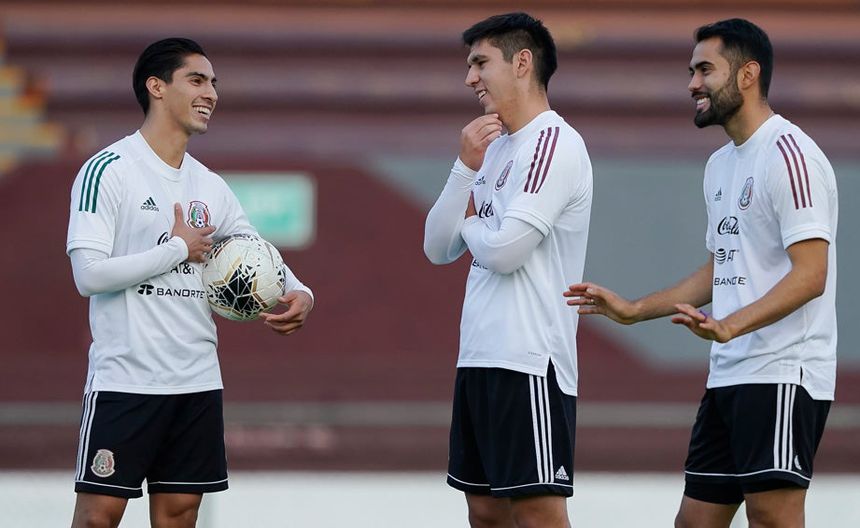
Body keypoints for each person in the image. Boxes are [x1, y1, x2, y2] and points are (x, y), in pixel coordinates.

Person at [565, 18, 837, 528]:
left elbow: (812, 274)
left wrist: (731, 325)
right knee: (694, 521)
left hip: (781, 371)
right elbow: (722, 267)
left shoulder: (790, 154)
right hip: (729, 373)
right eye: (692, 71)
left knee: (772, 517)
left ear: (748, 74)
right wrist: (634, 310)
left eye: (705, 70)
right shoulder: (720, 165)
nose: (693, 83)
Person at [66, 38, 314, 528]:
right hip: (126, 381)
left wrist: (303, 292)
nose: (211, 93)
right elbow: (88, 275)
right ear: (156, 87)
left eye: (213, 83)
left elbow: (254, 247)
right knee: (99, 515)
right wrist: (177, 249)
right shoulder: (107, 170)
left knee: (180, 514)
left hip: (196, 382)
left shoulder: (210, 185)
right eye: (197, 80)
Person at [424, 12, 593, 528]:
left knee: (538, 512)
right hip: (479, 355)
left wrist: (474, 225)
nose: (470, 78)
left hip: (529, 359)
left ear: (522, 63)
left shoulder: (553, 143)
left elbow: (504, 251)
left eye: (480, 63)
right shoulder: (492, 149)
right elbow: (436, 247)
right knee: (485, 511)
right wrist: (463, 168)